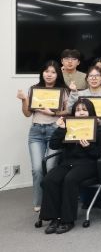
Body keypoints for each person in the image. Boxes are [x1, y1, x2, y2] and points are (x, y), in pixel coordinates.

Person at [39, 99, 101, 234]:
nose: (81, 113)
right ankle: (54, 218)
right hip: (68, 163)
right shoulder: (68, 127)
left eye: (84, 110)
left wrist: (88, 147)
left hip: (88, 164)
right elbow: (53, 145)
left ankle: (67, 220)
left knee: (70, 179)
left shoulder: (99, 130)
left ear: (91, 112)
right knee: (49, 180)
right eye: (78, 110)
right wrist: (60, 129)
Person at [18, 60, 70, 211]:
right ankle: (39, 202)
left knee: (50, 166)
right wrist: (24, 99)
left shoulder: (63, 90)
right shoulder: (34, 89)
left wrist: (53, 113)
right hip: (36, 131)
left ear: (58, 75)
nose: (49, 74)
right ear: (42, 73)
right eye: (47, 71)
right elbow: (27, 113)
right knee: (37, 169)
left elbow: (68, 111)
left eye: (53, 72)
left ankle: (51, 201)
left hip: (55, 130)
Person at [67, 66, 101, 153]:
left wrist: (100, 122)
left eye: (97, 75)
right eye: (91, 76)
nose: (94, 78)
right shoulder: (80, 94)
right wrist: (73, 93)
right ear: (87, 79)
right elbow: (69, 110)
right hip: (84, 131)